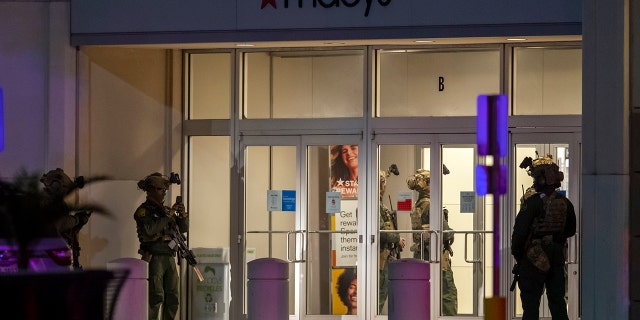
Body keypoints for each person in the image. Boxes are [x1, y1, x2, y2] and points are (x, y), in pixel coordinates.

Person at [511, 155, 576, 320]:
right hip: (556, 256)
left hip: (534, 257)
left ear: (541, 180)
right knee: (558, 302)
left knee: (531, 305)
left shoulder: (532, 203)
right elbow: (570, 230)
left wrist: (520, 256)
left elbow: (519, 233)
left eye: (535, 177)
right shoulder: (566, 203)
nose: (533, 181)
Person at [134, 172, 188, 320]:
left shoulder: (165, 211)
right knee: (156, 296)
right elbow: (150, 230)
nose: (164, 193)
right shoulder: (143, 211)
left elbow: (183, 229)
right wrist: (168, 216)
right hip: (154, 257)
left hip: (169, 256)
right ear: (151, 190)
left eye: (165, 190)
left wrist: (182, 216)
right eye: (161, 190)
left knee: (173, 297)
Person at [406, 167, 458, 315]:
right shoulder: (431, 205)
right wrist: (451, 233)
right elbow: (446, 233)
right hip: (436, 256)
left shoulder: (419, 205)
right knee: (447, 294)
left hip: (422, 255)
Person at [40, 168, 92, 269]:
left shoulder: (50, 201)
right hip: (51, 256)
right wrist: (77, 219)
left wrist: (80, 221)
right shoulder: (48, 202)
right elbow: (60, 223)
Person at [378, 164, 405, 313]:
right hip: (379, 256)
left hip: (385, 255)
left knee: (383, 291)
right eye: (383, 184)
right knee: (379, 292)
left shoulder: (379, 205)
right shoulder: (374, 206)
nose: (384, 187)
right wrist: (396, 238)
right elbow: (381, 231)